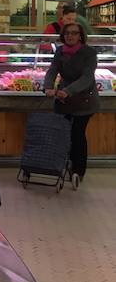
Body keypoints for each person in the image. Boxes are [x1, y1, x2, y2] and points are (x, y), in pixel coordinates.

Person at [44, 21, 98, 182]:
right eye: (67, 33)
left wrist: (68, 91)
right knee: (63, 132)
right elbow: (53, 70)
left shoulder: (89, 53)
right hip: (63, 98)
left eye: (74, 33)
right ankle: (62, 163)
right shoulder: (60, 51)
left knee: (77, 134)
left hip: (84, 99)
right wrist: (47, 86)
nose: (70, 36)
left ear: (81, 36)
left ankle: (78, 170)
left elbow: (87, 78)